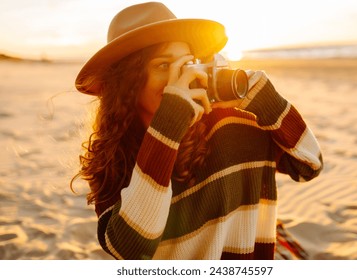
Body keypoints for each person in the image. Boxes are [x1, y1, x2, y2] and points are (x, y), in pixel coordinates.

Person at [71, 2, 323, 260]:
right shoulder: (111, 156)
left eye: (187, 63)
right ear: (127, 83)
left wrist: (268, 101)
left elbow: (308, 167)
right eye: (162, 65)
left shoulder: (232, 123)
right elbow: (130, 250)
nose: (179, 77)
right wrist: (168, 126)